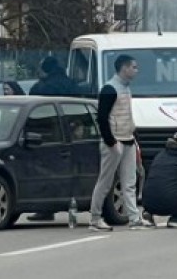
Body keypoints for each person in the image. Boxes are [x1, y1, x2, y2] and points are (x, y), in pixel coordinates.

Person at [88, 54, 152, 231]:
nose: (136, 70)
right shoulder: (110, 89)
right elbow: (102, 117)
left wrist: (134, 137)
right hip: (115, 142)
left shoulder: (125, 88)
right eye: (134, 67)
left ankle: (134, 218)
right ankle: (95, 218)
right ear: (124, 68)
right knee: (105, 181)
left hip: (128, 139)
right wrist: (110, 141)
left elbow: (127, 115)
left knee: (129, 182)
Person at [26, 57, 81, 222]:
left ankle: (46, 209)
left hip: (46, 135)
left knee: (45, 173)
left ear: (45, 70)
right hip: (71, 134)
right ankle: (75, 202)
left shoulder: (40, 88)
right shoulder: (71, 85)